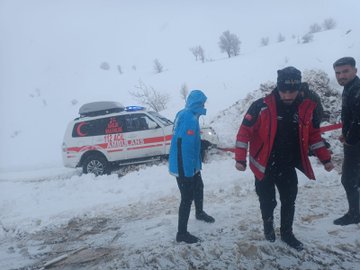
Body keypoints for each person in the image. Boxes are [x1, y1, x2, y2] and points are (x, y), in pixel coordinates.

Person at [235, 66, 334, 251]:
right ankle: (268, 227)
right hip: (263, 165)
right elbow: (243, 133)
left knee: (289, 200)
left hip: (288, 165)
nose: (288, 95)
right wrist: (240, 159)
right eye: (284, 91)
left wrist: (325, 159)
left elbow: (314, 136)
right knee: (268, 201)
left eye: (292, 91)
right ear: (278, 88)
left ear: (299, 88)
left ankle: (287, 233)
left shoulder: (305, 108)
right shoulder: (261, 106)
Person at [169, 89, 215, 244]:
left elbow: (183, 139)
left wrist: (201, 143)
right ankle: (181, 233)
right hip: (184, 166)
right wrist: (187, 173)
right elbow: (184, 146)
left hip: (189, 164)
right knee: (187, 198)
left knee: (199, 187)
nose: (204, 105)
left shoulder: (185, 113)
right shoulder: (189, 118)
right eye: (202, 103)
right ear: (197, 104)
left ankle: (200, 213)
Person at [332, 57, 360, 225]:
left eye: (345, 71)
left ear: (355, 71)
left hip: (356, 144)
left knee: (348, 179)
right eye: (337, 73)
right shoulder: (350, 87)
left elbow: (359, 120)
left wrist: (349, 139)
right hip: (353, 140)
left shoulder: (357, 89)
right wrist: (346, 133)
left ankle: (355, 214)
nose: (341, 76)